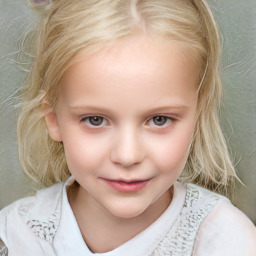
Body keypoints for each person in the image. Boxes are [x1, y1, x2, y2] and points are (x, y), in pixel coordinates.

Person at [0, 0, 256, 255]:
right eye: (95, 120)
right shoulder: (15, 237)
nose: (128, 155)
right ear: (53, 118)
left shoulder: (227, 241)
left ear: (198, 116)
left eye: (159, 120)